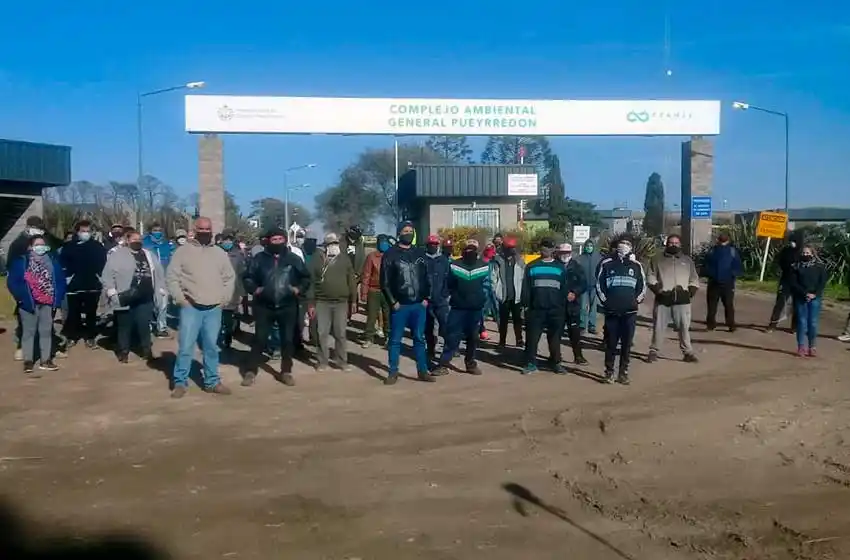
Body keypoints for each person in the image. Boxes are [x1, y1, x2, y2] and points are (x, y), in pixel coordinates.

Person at [166, 217, 235, 398]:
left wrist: (224, 299)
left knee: (211, 347)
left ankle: (212, 381)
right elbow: (172, 277)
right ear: (194, 229)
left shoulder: (219, 253)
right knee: (186, 346)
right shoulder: (182, 252)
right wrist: (181, 299)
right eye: (201, 229)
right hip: (191, 307)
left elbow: (229, 278)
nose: (205, 232)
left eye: (208, 229)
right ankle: (180, 382)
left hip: (214, 308)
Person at [242, 227, 310, 387]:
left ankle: (286, 371)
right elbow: (247, 277)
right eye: (274, 239)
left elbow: (306, 277)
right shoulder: (259, 259)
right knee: (259, 339)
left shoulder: (294, 259)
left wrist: (298, 289)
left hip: (287, 305)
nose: (277, 242)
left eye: (280, 239)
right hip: (264, 306)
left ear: (285, 240)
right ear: (268, 241)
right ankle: (251, 371)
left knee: (287, 340)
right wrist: (255, 289)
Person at [380, 221, 434, 385]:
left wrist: (427, 298)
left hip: (419, 305)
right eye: (405, 230)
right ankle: (393, 372)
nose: (408, 233)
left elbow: (428, 277)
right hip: (400, 305)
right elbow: (385, 282)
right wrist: (393, 301)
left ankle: (423, 371)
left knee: (419, 338)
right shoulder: (390, 254)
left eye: (411, 230)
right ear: (399, 233)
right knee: (395, 340)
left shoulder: (420, 253)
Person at [101, 230, 165, 363]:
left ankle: (146, 350)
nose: (138, 241)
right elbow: (107, 275)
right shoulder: (117, 255)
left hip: (146, 296)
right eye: (134, 239)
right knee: (125, 326)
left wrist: (161, 289)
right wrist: (112, 291)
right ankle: (123, 351)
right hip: (125, 296)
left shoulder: (149, 254)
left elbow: (158, 272)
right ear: (127, 240)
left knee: (144, 325)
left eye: (139, 239)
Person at [6, 234, 66, 375]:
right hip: (28, 303)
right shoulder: (21, 262)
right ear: (30, 247)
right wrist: (20, 298)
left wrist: (57, 299)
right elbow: (12, 282)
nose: (41, 247)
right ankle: (28, 361)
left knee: (46, 331)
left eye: (43, 244)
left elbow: (60, 280)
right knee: (28, 332)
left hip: (48, 302)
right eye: (37, 245)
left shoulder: (53, 261)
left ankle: (46, 360)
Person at [432, 240, 489, 377]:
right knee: (452, 336)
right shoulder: (455, 265)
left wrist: (482, 302)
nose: (470, 251)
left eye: (473, 248)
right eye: (467, 249)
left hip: (475, 309)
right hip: (458, 308)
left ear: (477, 250)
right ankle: (443, 364)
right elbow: (449, 285)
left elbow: (487, 286)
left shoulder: (484, 266)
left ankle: (470, 363)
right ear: (463, 250)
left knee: (473, 338)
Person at [596, 235, 646, 384]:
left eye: (627, 244)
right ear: (616, 247)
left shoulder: (636, 265)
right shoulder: (607, 264)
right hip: (612, 311)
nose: (624, 246)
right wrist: (606, 301)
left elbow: (642, 286)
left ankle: (623, 372)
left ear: (631, 247)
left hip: (629, 312)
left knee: (626, 344)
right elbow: (599, 284)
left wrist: (636, 301)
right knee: (611, 344)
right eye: (621, 244)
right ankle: (609, 372)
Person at [306, 233, 357, 371]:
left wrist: (353, 301)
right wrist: (310, 303)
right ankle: (322, 362)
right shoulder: (318, 259)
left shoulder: (345, 259)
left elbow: (351, 280)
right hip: (322, 302)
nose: (333, 246)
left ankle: (342, 361)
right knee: (322, 333)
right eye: (330, 244)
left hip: (341, 302)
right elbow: (310, 282)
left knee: (340, 333)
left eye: (335, 243)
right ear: (325, 245)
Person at [646, 234, 700, 363]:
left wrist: (689, 293)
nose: (673, 245)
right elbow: (650, 277)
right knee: (658, 327)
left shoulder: (687, 261)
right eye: (671, 243)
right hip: (663, 299)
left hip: (682, 301)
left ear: (680, 244)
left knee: (684, 328)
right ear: (666, 244)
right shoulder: (657, 259)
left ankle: (687, 353)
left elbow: (694, 279)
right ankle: (654, 351)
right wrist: (658, 291)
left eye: (676, 243)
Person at [521, 239, 570, 375]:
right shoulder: (531, 266)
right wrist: (525, 306)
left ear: (553, 250)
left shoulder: (560, 268)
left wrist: (563, 306)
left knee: (555, 338)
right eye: (543, 247)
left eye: (548, 247)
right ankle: (531, 363)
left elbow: (564, 288)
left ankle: (555, 362)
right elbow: (526, 289)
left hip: (556, 309)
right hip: (536, 309)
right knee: (532, 338)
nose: (545, 250)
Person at [60, 220, 107, 349]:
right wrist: (68, 277)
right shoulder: (69, 246)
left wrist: (100, 277)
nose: (85, 233)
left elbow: (103, 263)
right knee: (73, 313)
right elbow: (63, 263)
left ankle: (90, 337)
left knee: (91, 313)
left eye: (88, 231)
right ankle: (72, 336)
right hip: (74, 286)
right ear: (78, 232)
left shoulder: (97, 246)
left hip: (92, 285)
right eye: (83, 231)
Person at [788, 245, 827, 357]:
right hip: (800, 297)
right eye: (803, 253)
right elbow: (793, 283)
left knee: (813, 323)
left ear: (812, 254)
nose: (805, 255)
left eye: (807, 253)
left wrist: (814, 294)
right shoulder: (795, 267)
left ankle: (812, 347)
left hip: (815, 298)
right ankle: (801, 347)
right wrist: (805, 293)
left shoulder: (820, 267)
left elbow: (822, 282)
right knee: (801, 322)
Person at [702, 233, 743, 332]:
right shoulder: (715, 251)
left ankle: (725, 325)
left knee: (722, 305)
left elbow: (737, 266)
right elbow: (706, 264)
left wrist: (732, 274)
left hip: (722, 282)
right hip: (719, 282)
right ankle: (717, 325)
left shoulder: (729, 251)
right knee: (718, 305)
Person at [556, 243, 588, 365]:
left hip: (573, 306)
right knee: (556, 332)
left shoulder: (577, 267)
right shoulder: (555, 266)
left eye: (566, 253)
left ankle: (578, 356)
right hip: (558, 305)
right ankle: (555, 356)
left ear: (570, 253)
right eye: (562, 253)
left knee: (574, 333)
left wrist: (575, 293)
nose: (564, 255)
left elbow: (583, 284)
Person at [143, 222, 175, 338]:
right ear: (150, 231)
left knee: (163, 304)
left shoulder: (166, 244)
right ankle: (149, 325)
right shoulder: (145, 244)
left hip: (164, 278)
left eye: (159, 230)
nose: (157, 232)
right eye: (155, 230)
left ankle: (161, 327)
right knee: (149, 303)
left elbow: (172, 260)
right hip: (149, 277)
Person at [492, 237, 525, 349]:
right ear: (504, 248)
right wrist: (496, 291)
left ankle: (519, 340)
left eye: (512, 248)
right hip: (504, 295)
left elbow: (523, 277)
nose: (511, 250)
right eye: (508, 248)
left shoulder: (520, 261)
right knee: (503, 320)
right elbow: (494, 277)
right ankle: (502, 341)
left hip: (516, 295)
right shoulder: (498, 260)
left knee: (517, 319)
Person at [767, 231, 802, 332]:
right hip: (785, 281)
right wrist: (778, 270)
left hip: (798, 283)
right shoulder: (785, 251)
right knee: (779, 304)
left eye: (794, 241)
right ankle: (772, 325)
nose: (792, 243)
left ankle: (794, 328)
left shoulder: (802, 252)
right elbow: (777, 262)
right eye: (790, 241)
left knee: (797, 306)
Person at [218, 230, 247, 351]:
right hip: (216, 290)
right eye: (226, 240)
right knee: (216, 318)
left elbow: (242, 275)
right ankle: (217, 338)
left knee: (228, 319)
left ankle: (227, 339)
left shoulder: (238, 255)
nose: (228, 242)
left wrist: (242, 293)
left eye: (230, 240)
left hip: (232, 291)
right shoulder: (215, 253)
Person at [360, 234, 391, 348]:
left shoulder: (392, 256)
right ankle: (369, 338)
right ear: (378, 243)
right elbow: (366, 275)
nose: (384, 244)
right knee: (372, 315)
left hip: (388, 291)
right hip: (374, 290)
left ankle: (388, 337)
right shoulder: (371, 257)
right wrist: (364, 292)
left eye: (385, 242)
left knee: (388, 315)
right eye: (382, 242)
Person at [424, 234, 450, 361]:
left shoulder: (444, 260)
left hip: (441, 300)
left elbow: (449, 279)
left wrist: (445, 294)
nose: (433, 247)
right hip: (426, 300)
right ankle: (430, 350)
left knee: (445, 326)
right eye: (431, 245)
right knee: (428, 328)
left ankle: (448, 350)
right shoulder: (422, 259)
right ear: (427, 245)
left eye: (435, 245)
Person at [576, 239, 602, 334]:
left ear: (594, 247)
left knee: (593, 307)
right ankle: (582, 326)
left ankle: (592, 326)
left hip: (594, 286)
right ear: (584, 247)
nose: (589, 247)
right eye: (587, 246)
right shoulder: (579, 258)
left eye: (591, 246)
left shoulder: (599, 258)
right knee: (583, 307)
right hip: (583, 287)